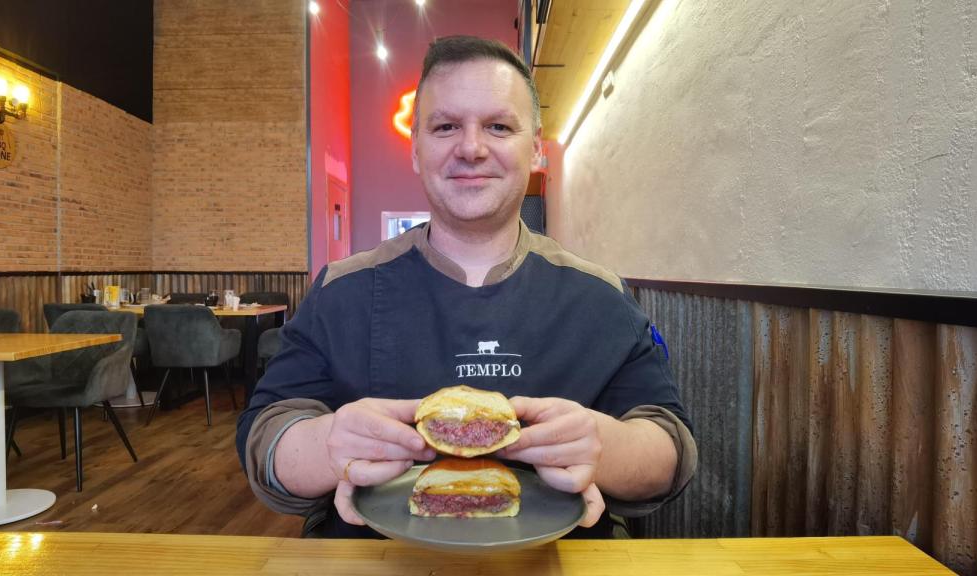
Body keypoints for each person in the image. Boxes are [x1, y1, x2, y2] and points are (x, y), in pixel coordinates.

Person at [237, 35, 697, 538]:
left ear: (536, 149)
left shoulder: (602, 296)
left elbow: (670, 449)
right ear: (416, 150)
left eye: (498, 126)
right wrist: (327, 444)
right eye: (446, 126)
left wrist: (605, 447)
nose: (471, 148)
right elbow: (264, 437)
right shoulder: (341, 291)